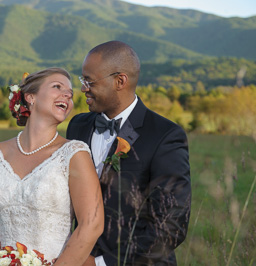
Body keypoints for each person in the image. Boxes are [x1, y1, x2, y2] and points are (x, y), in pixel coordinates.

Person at [67, 41, 191, 265]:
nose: (83, 87)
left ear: (120, 81)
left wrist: (101, 263)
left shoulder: (165, 136)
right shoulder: (77, 126)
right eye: (82, 79)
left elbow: (171, 225)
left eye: (89, 80)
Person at [0, 67, 104, 265]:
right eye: (57, 86)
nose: (67, 95)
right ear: (30, 97)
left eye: (70, 93)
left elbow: (91, 224)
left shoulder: (74, 153)